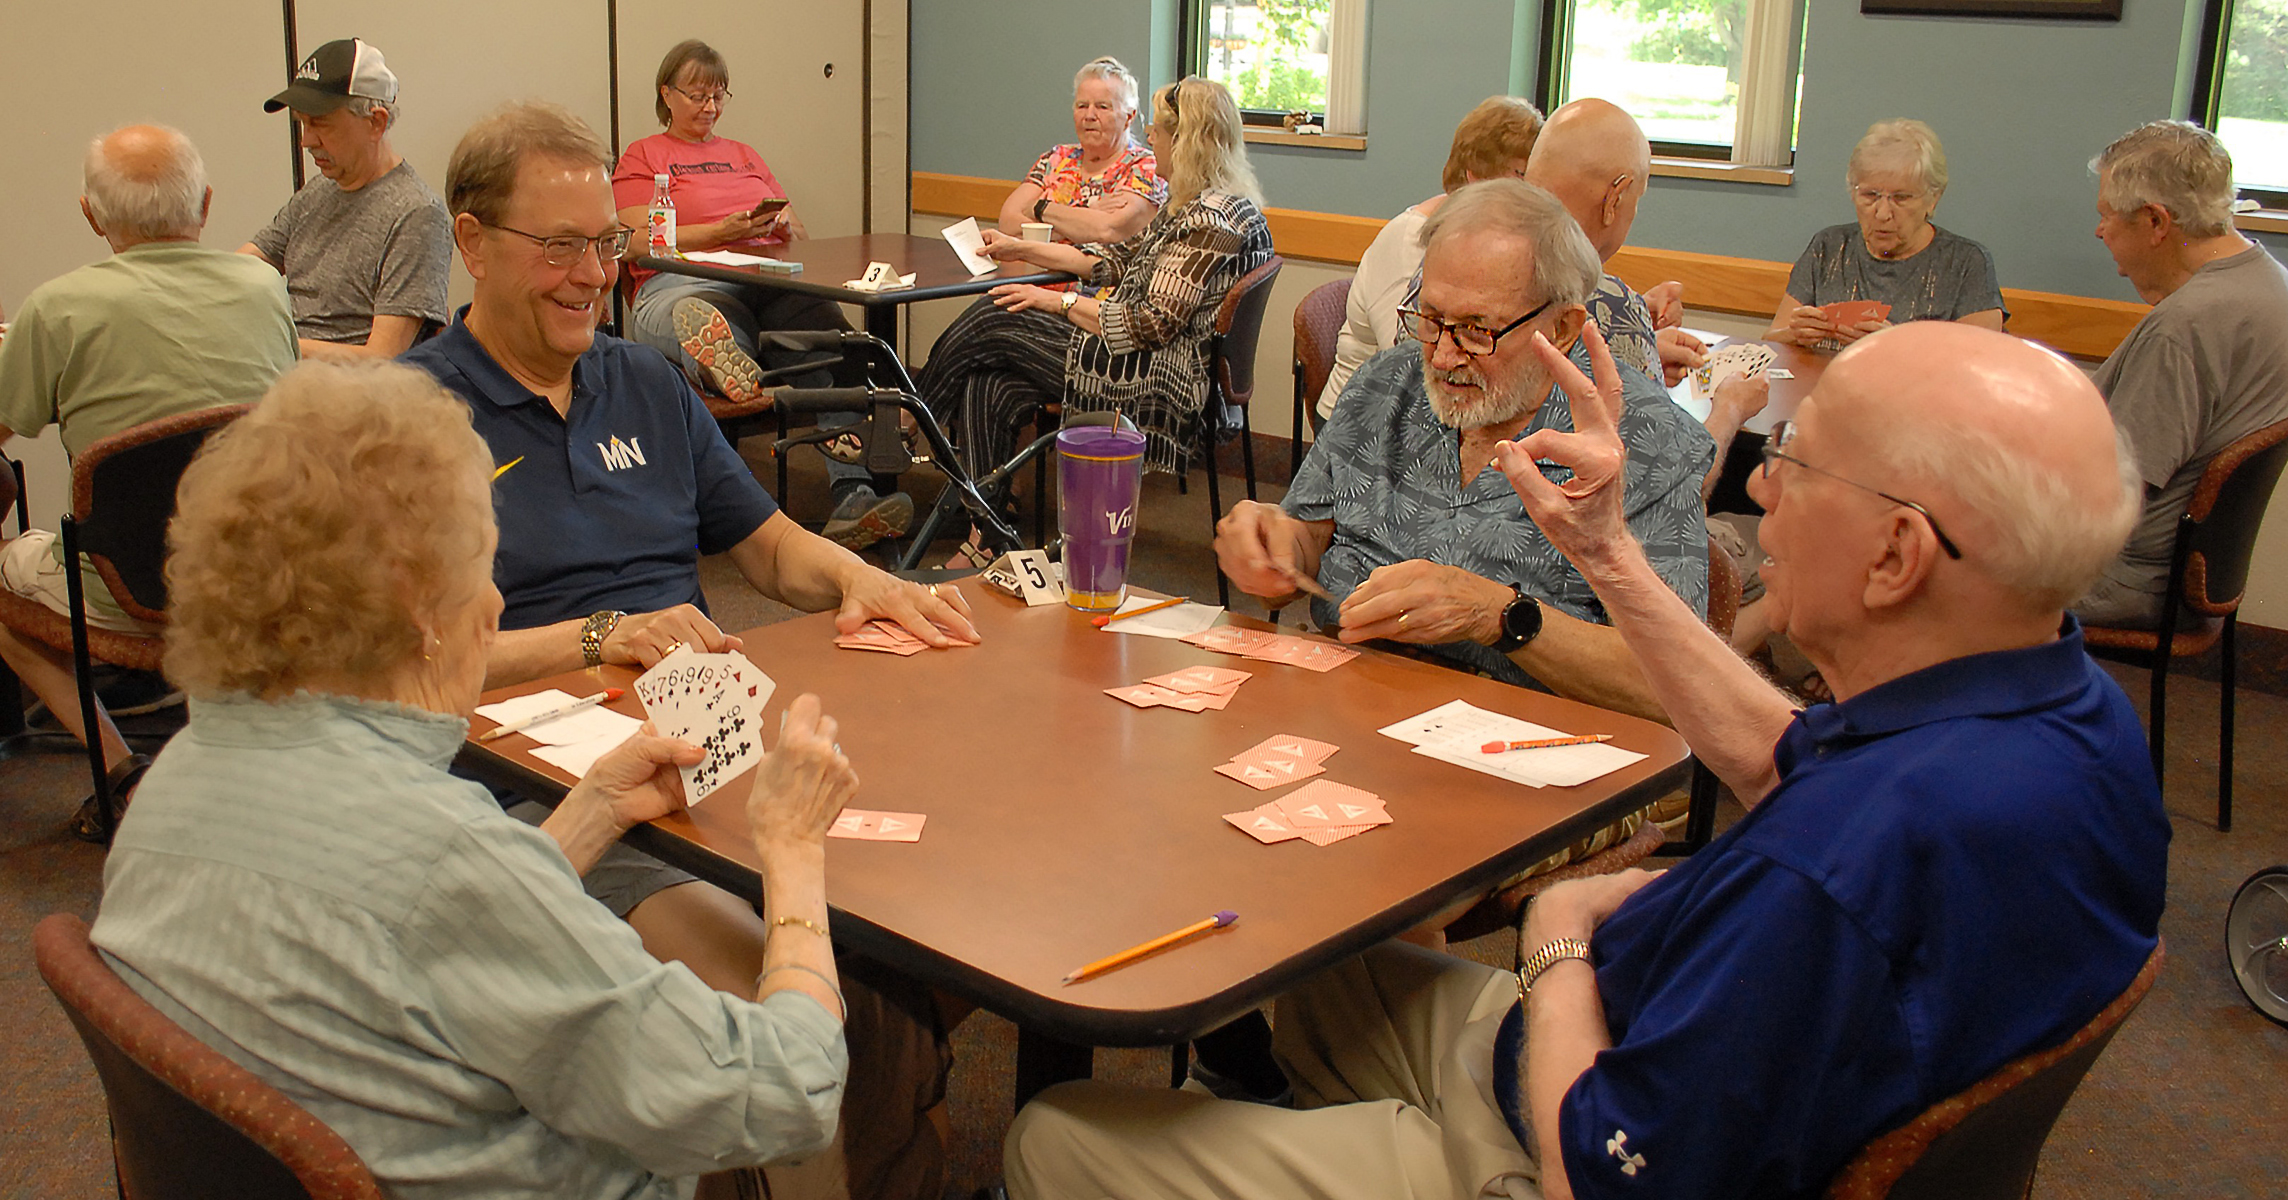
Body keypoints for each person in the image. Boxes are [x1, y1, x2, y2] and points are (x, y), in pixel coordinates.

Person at [1008, 319, 2169, 1200]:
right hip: (1647, 1037)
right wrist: (1605, 553)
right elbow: (1782, 755)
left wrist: (1557, 933)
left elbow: (1597, 1170)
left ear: (1895, 556)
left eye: (1792, 464)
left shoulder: (1830, 871)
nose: (1761, 489)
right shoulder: (2063, 712)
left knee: (1055, 1135)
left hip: (1563, 1130)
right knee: (1300, 954)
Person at [90, 359, 859, 1199]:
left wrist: (592, 812)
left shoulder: (173, 784)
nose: (494, 608)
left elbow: (406, 943)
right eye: (481, 573)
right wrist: (792, 856)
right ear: (420, 610)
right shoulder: (443, 858)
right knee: (856, 1065)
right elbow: (783, 1099)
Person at [405, 101, 970, 1200]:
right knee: (763, 1005)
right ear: (471, 241)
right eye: (557, 246)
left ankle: (877, 1136)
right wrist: (597, 638)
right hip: (552, 791)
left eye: (606, 243)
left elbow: (765, 546)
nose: (591, 275)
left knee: (936, 909)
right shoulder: (411, 417)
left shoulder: (644, 381)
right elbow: (407, 670)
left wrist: (858, 578)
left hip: (713, 749)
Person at [1215, 178, 1711, 720]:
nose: (1443, 356)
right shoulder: (1386, 385)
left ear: (1563, 327)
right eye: (1431, 320)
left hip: (1527, 736)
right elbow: (1307, 540)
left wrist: (1495, 615)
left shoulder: (1644, 439)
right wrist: (1273, 547)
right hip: (1353, 702)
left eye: (1477, 330)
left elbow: (1677, 684)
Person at [0, 124, 296, 840]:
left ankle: (122, 773)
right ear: (206, 203)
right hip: (260, 579)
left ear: (90, 215)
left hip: (126, 595)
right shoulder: (265, 287)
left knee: (4, 582)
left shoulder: (57, 308)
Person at [612, 39, 909, 550]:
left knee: (825, 331)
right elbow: (635, 240)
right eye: (698, 96)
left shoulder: (743, 155)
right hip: (684, 280)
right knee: (698, 314)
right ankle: (719, 359)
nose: (710, 107)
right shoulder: (645, 155)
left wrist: (783, 224)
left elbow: (803, 236)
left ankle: (854, 495)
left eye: (718, 96)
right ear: (666, 94)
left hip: (765, 279)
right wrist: (720, 232)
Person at [917, 76, 1275, 497]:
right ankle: (984, 522)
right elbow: (1114, 261)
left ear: (1185, 142)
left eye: (1158, 130)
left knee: (997, 310)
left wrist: (1057, 301)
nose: (1150, 137)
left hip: (1154, 377)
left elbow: (1149, 323)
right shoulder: (1199, 204)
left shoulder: (1208, 222)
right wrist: (1020, 248)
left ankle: (906, 420)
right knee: (990, 384)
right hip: (1135, 354)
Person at [2077, 119, 2288, 629]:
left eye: (2106, 215)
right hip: (2189, 571)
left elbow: (2113, 490)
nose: (2100, 231)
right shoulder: (2273, 284)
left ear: (2155, 221)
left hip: (2126, 577)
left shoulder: (2186, 326)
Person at [1525, 98, 1766, 504]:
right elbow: (1672, 492)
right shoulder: (1613, 306)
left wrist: (1645, 349)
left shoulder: (1443, 271)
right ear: (1615, 198)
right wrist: (1731, 409)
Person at [1319, 96, 1543, 417]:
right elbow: (1411, 361)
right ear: (1477, 177)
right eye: (1522, 174)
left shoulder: (1493, 241)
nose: (1535, 189)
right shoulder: (1411, 239)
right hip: (1364, 415)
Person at [240, 38, 452, 363]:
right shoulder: (316, 193)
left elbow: (382, 357)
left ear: (375, 122)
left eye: (320, 124)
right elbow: (241, 269)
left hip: (349, 389)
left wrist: (273, 344)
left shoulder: (417, 214)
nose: (306, 141)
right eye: (302, 123)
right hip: (285, 370)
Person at [1767, 119, 2004, 349]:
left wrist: (1896, 346)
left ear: (1933, 199)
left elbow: (1981, 359)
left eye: (1901, 198)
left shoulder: (1965, 263)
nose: (1882, 214)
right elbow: (1771, 341)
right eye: (1870, 195)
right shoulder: (1828, 247)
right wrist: (1794, 334)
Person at [997, 56, 1166, 244]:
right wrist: (1088, 215)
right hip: (1033, 263)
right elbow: (1008, 223)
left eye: (1102, 107)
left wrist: (1040, 209)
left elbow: (1108, 230)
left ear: (1129, 116)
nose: (1089, 115)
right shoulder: (1056, 158)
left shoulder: (1146, 167)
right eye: (1082, 106)